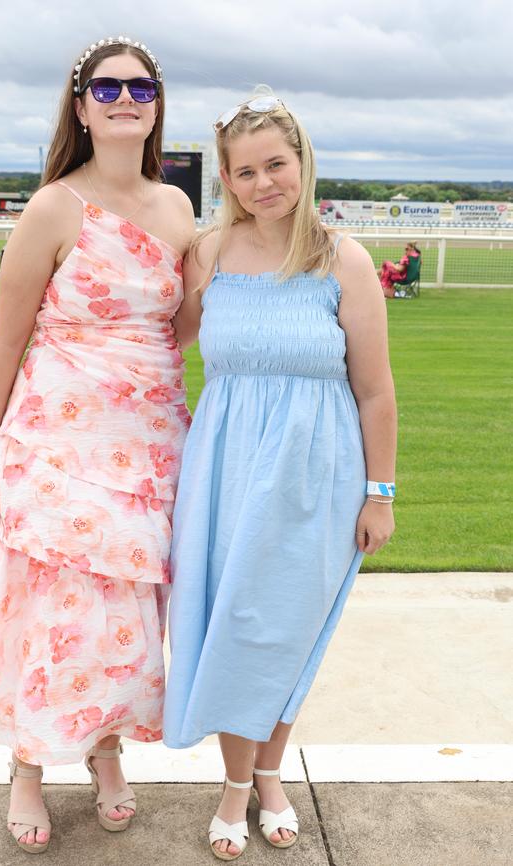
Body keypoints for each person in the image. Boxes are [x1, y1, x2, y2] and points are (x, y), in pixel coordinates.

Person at [0, 36, 195, 854]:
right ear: (80, 105)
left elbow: (179, 331)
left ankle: (108, 751)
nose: (126, 99)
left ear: (157, 104)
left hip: (151, 444)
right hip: (54, 443)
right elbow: (4, 344)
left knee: (124, 615)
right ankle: (28, 765)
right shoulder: (54, 206)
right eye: (107, 87)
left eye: (141, 87)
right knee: (56, 610)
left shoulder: (180, 210)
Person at [163, 89, 397, 860]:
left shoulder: (344, 260)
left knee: (286, 634)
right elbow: (159, 345)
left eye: (276, 165)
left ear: (302, 164)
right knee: (233, 625)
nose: (263, 183)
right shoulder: (208, 255)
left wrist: (380, 492)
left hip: (314, 479)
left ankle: (268, 774)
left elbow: (374, 390)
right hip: (225, 472)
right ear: (226, 180)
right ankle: (242, 785)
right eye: (245, 171)